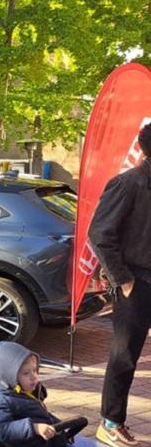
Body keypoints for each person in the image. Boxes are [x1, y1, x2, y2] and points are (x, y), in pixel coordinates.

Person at [88, 122, 151, 446]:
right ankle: (111, 422)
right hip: (136, 282)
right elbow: (99, 233)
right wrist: (123, 279)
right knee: (125, 355)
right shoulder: (129, 183)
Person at [0, 341, 83, 447]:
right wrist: (34, 428)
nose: (33, 376)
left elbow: (41, 414)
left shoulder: (25, 390)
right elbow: (1, 429)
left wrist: (59, 426)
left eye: (35, 370)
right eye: (26, 373)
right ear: (11, 376)